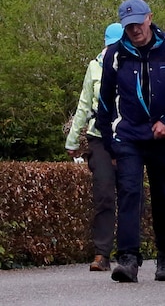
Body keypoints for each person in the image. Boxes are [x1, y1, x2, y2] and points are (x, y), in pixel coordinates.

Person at [96, 0, 165, 283]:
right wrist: (109, 144)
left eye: (138, 23)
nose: (135, 30)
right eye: (129, 26)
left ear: (150, 18)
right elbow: (104, 103)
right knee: (130, 192)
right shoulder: (115, 56)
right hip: (129, 136)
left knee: (162, 195)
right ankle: (128, 259)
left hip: (162, 137)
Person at [65, 22, 123, 272]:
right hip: (99, 136)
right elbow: (84, 102)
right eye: (110, 45)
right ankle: (102, 253)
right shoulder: (94, 66)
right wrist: (72, 140)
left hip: (128, 136)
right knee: (104, 193)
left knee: (132, 193)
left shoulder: (134, 65)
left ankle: (131, 251)